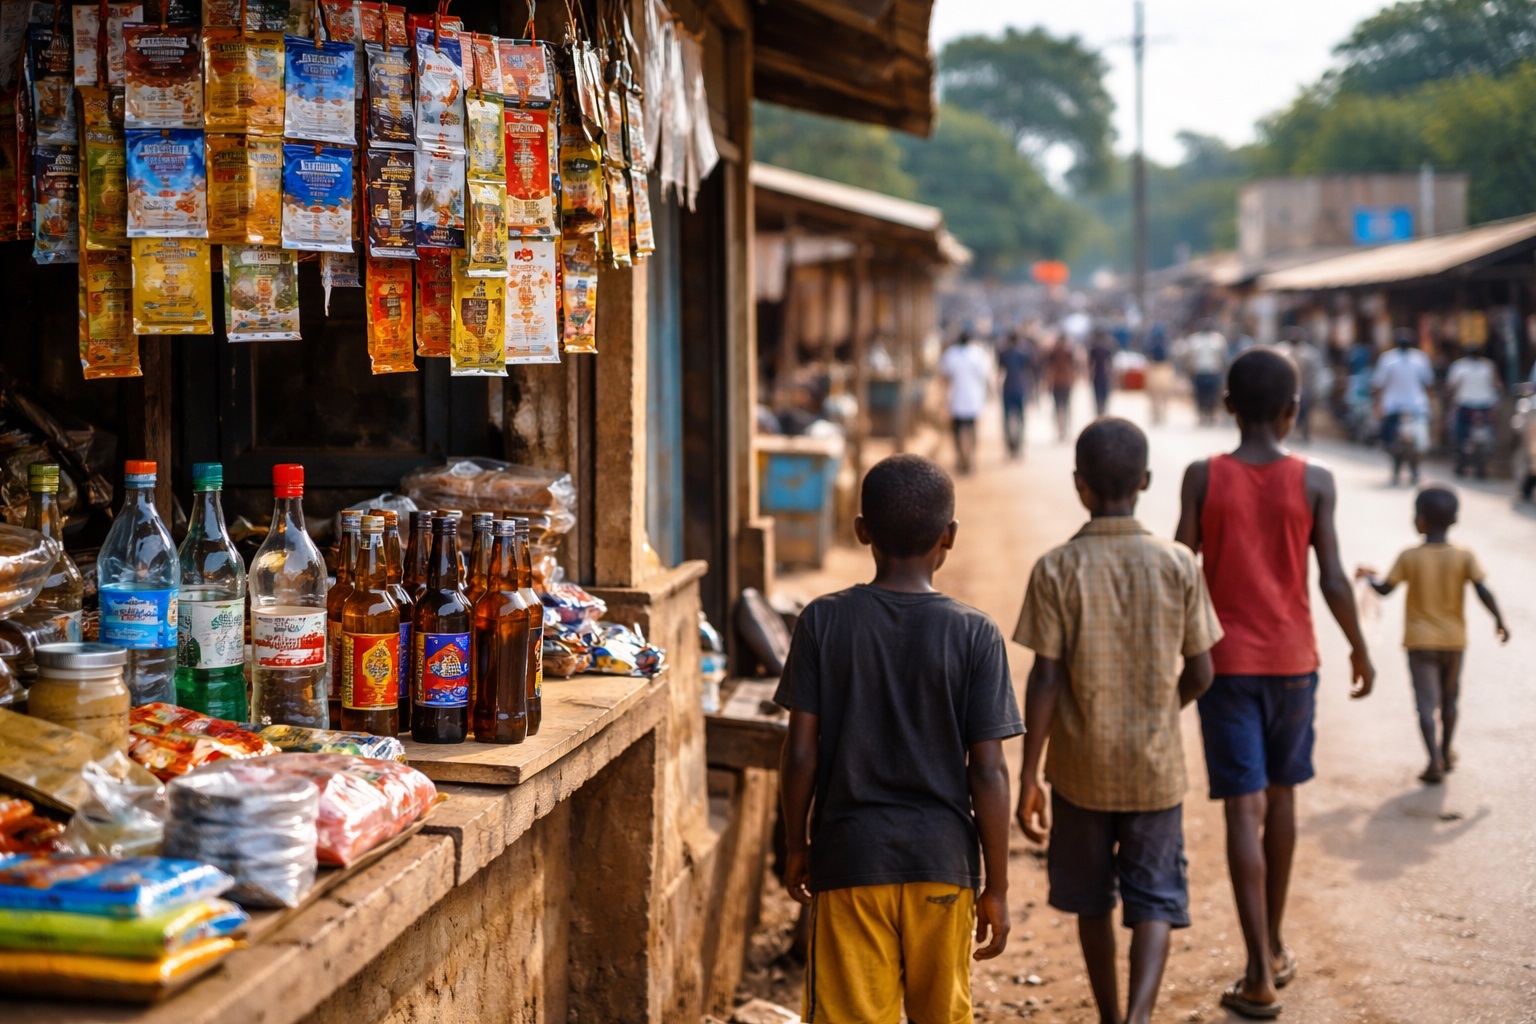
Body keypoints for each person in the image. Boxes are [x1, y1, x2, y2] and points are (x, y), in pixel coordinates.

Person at [776, 454, 1021, 1023]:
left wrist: (796, 845)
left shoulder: (823, 621)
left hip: (851, 860)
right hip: (944, 865)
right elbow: (988, 771)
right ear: (949, 537)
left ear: (861, 531)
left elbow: (801, 751)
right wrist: (998, 887)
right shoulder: (976, 634)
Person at [1174, 347, 1375, 1020]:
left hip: (1224, 668)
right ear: (1293, 412)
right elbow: (1336, 578)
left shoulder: (1202, 478)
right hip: (1295, 665)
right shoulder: (1315, 481)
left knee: (1243, 809)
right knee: (1283, 801)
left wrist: (1170, 656)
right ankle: (1277, 945)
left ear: (1227, 405)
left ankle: (1259, 967)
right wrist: (1360, 647)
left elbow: (1178, 572)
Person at [1015, 419, 1223, 1024]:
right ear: (1148, 482)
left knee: (1091, 900)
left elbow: (1046, 678)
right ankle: (1138, 1019)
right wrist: (1162, 709)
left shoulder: (1056, 568)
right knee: (1154, 897)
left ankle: (1109, 1017)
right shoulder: (1180, 564)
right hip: (1155, 769)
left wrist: (1030, 774)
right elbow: (1202, 672)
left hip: (1080, 768)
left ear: (1079, 485)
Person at [1357, 487, 1509, 784]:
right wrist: (1499, 620)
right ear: (1455, 520)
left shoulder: (1409, 556)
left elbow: (1385, 589)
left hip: (1419, 643)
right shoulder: (1464, 555)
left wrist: (1367, 576)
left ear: (1421, 521)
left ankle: (1433, 761)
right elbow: (1483, 590)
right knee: (1450, 701)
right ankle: (1447, 749)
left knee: (1425, 705)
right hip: (1454, 642)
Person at [1372, 330, 1435, 485]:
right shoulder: (1420, 358)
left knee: (1394, 441)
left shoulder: (1388, 358)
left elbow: (1378, 384)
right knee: (1402, 442)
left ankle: (1400, 470)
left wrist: (1378, 403)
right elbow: (1429, 384)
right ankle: (1407, 470)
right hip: (1412, 406)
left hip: (1397, 406)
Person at [939, 333, 994, 475]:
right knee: (972, 429)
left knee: (957, 430)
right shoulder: (978, 354)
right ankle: (970, 457)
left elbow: (944, 377)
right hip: (973, 398)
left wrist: (943, 398)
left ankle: (961, 458)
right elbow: (986, 376)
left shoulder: (951, 354)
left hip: (957, 398)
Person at [1445, 344, 1502, 478]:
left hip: (1466, 405)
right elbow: (1498, 385)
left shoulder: (1459, 366)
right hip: (1485, 405)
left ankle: (1460, 461)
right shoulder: (1489, 365)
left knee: (1459, 434)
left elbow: (1451, 386)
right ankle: (1480, 464)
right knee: (1489, 433)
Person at [998, 332, 1038, 460]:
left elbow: (1000, 371)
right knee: (1021, 418)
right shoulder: (1023, 353)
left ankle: (1009, 446)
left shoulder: (1003, 353)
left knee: (1007, 419)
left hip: (1007, 388)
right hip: (1020, 387)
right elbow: (1029, 371)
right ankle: (1019, 446)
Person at [1280, 328, 1324, 443]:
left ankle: (1303, 433)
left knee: (1304, 411)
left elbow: (1314, 374)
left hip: (1305, 387)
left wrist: (1314, 390)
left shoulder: (1309, 354)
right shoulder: (1282, 350)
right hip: (1287, 387)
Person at [1184, 320, 1228, 426]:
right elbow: (1188, 356)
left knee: (1213, 394)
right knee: (1200, 394)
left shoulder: (1218, 339)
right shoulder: (1194, 340)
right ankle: (1202, 414)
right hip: (1200, 371)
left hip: (1213, 371)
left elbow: (1223, 357)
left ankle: (1212, 414)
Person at [1046, 339, 1078, 442]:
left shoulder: (1054, 353)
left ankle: (1060, 431)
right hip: (1065, 383)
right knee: (1066, 407)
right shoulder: (1068, 352)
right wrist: (1072, 381)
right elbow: (1072, 369)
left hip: (1057, 383)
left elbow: (1051, 370)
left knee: (1058, 408)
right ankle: (1065, 430)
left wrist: (1049, 383)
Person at [1144, 327, 1175, 425]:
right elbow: (1171, 358)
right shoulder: (1166, 344)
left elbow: (1148, 358)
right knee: (1164, 395)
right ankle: (1162, 414)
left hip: (1155, 369)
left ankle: (1156, 415)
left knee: (1154, 395)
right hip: (1164, 369)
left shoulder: (1151, 344)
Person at [1088, 332, 1115, 418]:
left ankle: (1100, 414)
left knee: (1098, 397)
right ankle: (1102, 414)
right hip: (1103, 376)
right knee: (1104, 397)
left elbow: (1091, 365)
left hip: (1097, 376)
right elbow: (1109, 366)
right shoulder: (1106, 350)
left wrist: (1089, 376)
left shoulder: (1094, 350)